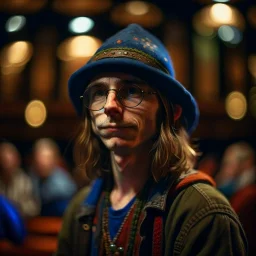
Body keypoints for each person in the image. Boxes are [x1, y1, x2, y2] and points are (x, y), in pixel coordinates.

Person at [55, 24, 247, 255]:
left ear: (171, 113)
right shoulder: (81, 209)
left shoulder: (203, 213)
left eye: (132, 91)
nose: (109, 106)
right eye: (98, 93)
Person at [29, 138, 77, 216]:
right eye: (40, 157)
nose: (43, 162)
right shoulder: (29, 178)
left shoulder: (64, 186)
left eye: (47, 158)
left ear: (55, 160)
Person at [0, 142, 40, 218]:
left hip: (21, 222)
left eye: (9, 161)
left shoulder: (25, 181)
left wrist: (13, 208)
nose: (6, 165)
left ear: (17, 161)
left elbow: (33, 209)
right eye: (3, 160)